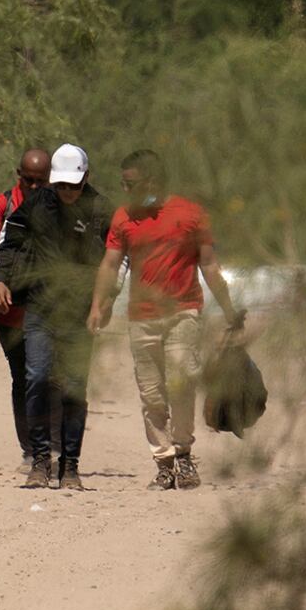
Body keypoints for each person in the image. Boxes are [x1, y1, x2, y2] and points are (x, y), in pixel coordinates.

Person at [87, 149, 245, 491]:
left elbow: (209, 265)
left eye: (130, 183)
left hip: (183, 312)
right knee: (152, 394)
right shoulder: (123, 218)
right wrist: (98, 304)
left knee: (183, 381)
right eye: (122, 184)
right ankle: (164, 462)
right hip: (141, 318)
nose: (125, 190)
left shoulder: (191, 215)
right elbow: (110, 265)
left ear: (152, 181)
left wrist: (229, 309)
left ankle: (184, 454)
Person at [0, 144, 112, 492]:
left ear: (85, 178)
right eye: (61, 185)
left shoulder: (101, 210)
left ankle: (70, 466)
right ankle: (40, 460)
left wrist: (103, 303)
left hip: (80, 313)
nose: (66, 192)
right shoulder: (37, 204)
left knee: (74, 388)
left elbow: (116, 260)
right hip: (41, 308)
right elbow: (8, 243)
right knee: (37, 379)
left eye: (73, 185)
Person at [0, 148, 56, 470]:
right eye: (29, 181)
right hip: (10, 308)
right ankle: (29, 448)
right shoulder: (4, 204)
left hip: (49, 306)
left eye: (41, 181)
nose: (35, 187)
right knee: (22, 378)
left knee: (52, 377)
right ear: (18, 175)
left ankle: (53, 444)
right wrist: (15, 237)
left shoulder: (60, 204)